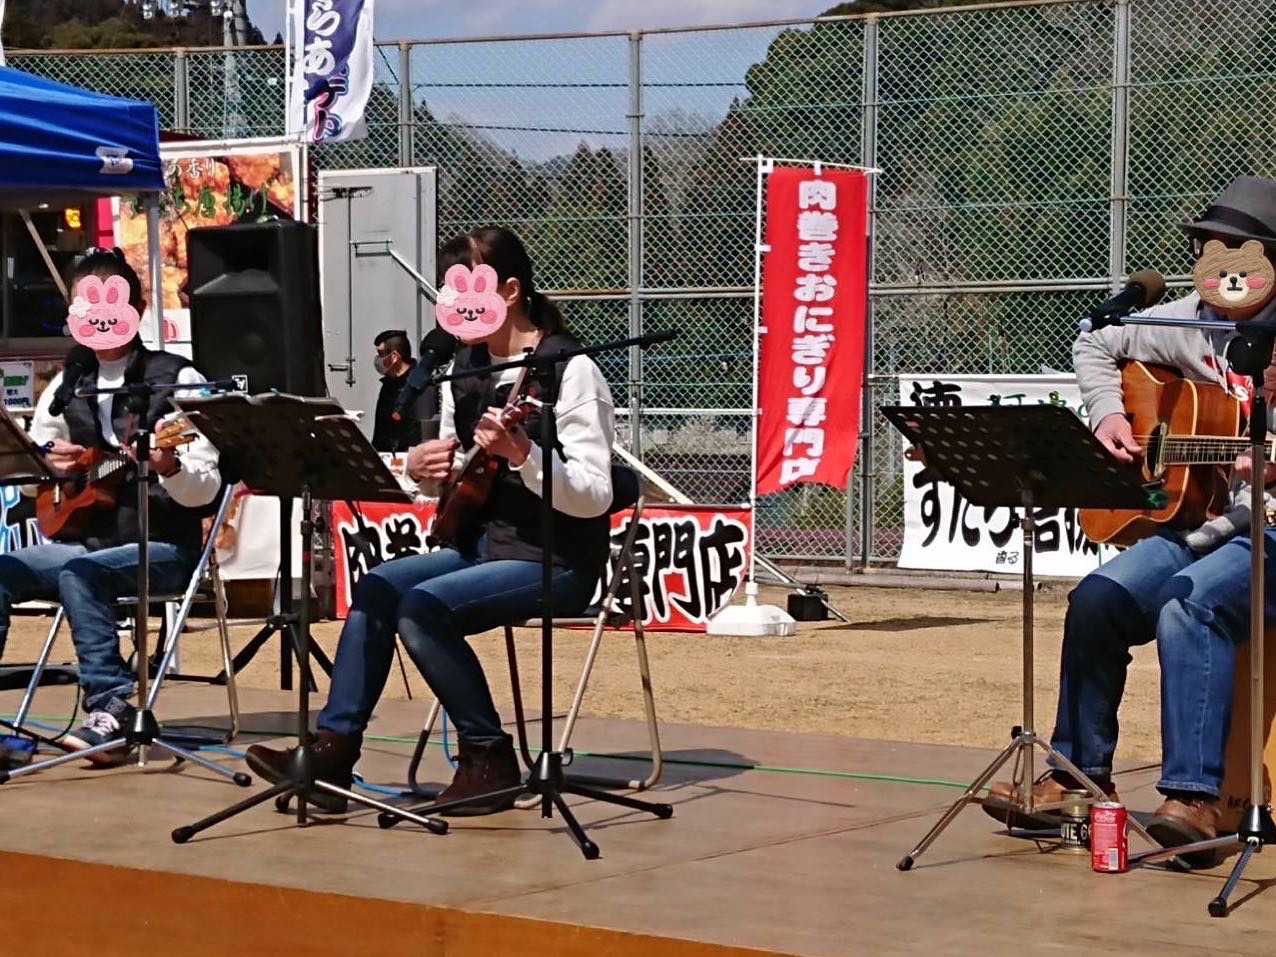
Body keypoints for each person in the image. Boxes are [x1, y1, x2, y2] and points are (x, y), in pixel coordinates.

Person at [246, 226, 615, 815]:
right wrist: (420, 468)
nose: (455, 303)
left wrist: (526, 456)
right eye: (450, 290)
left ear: (510, 289)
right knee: (376, 589)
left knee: (422, 607)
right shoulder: (461, 369)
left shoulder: (568, 370)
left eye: (468, 288)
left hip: (554, 556)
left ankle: (488, 756)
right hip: (480, 547)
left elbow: (595, 495)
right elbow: (455, 477)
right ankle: (334, 752)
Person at [982, 176, 1276, 867]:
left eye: (1235, 252)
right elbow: (1094, 342)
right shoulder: (1186, 320)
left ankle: (1194, 797)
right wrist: (1110, 415)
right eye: (1207, 249)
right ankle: (1077, 779)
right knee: (1097, 600)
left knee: (1190, 604)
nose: (1218, 266)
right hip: (1210, 524)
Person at [0, 248, 222, 765]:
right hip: (86, 540)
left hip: (162, 545)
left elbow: (205, 488)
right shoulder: (68, 384)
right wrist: (54, 466)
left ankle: (112, 705)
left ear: (136, 309)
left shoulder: (177, 380)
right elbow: (36, 475)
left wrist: (168, 465)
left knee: (81, 573)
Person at [371, 329, 419, 452]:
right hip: (386, 454)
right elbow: (380, 428)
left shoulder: (419, 384)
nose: (377, 359)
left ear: (394, 357)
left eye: (381, 354)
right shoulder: (388, 383)